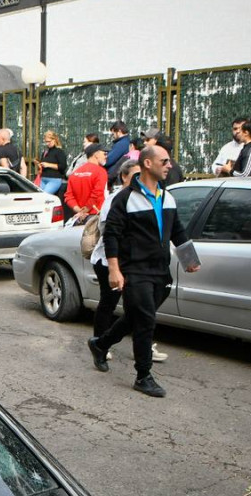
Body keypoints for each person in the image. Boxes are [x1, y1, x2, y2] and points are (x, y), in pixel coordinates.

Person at [88, 146, 200, 398]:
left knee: (136, 316)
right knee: (146, 321)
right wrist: (114, 270)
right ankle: (143, 375)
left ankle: (101, 343)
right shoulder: (125, 198)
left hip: (160, 270)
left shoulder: (167, 197)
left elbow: (178, 231)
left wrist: (189, 259)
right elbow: (112, 236)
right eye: (165, 161)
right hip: (134, 270)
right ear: (148, 164)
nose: (169, 165)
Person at [89, 161, 170, 364]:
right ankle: (100, 341)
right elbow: (111, 233)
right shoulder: (116, 199)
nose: (141, 178)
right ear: (125, 177)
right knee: (109, 303)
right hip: (110, 262)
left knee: (140, 307)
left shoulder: (151, 197)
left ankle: (140, 345)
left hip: (135, 264)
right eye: (135, 174)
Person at [64, 143, 108, 223]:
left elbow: (68, 196)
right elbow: (97, 194)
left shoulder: (74, 173)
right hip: (96, 216)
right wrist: (86, 209)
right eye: (104, 153)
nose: (106, 156)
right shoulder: (100, 171)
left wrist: (79, 211)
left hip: (79, 217)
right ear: (96, 154)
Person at [38, 130, 68, 195]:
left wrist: (48, 165)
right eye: (46, 142)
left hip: (54, 179)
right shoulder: (45, 152)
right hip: (43, 179)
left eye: (49, 141)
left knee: (44, 196)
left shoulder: (59, 151)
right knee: (39, 197)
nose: (47, 143)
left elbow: (63, 166)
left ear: (54, 140)